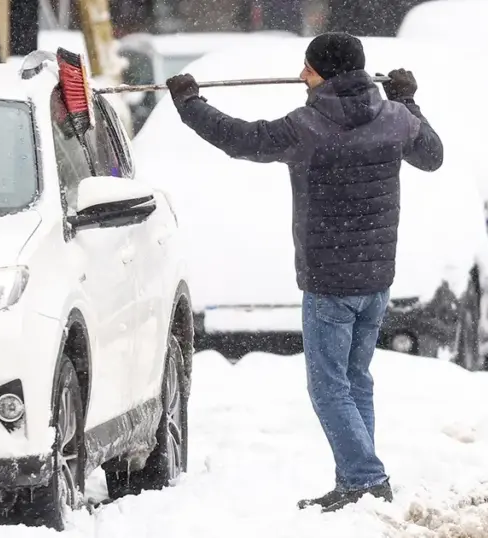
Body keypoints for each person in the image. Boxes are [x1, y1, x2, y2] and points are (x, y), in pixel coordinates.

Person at [165, 32, 443, 512]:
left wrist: (190, 105)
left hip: (330, 281)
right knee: (354, 380)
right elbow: (432, 156)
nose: (300, 76)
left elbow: (242, 139)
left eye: (308, 69)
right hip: (376, 277)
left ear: (326, 74)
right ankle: (355, 483)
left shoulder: (308, 127)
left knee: (329, 386)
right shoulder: (394, 118)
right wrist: (409, 101)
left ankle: (367, 479)